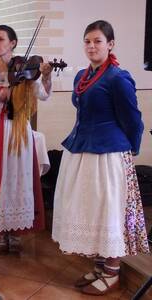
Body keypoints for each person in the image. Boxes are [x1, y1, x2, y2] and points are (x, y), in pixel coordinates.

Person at [52, 20, 149, 296]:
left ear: (110, 44)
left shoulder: (118, 78)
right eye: (87, 41)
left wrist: (129, 152)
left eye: (97, 41)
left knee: (108, 211)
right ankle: (98, 265)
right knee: (90, 209)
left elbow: (133, 120)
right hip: (82, 149)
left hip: (108, 154)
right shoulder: (81, 75)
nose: (91, 46)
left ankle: (113, 271)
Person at [0, 25, 52, 254]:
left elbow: (43, 95)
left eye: (1, 39)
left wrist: (45, 75)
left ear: (13, 43)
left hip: (16, 132)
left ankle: (14, 232)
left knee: (15, 180)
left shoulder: (26, 69)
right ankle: (0, 231)